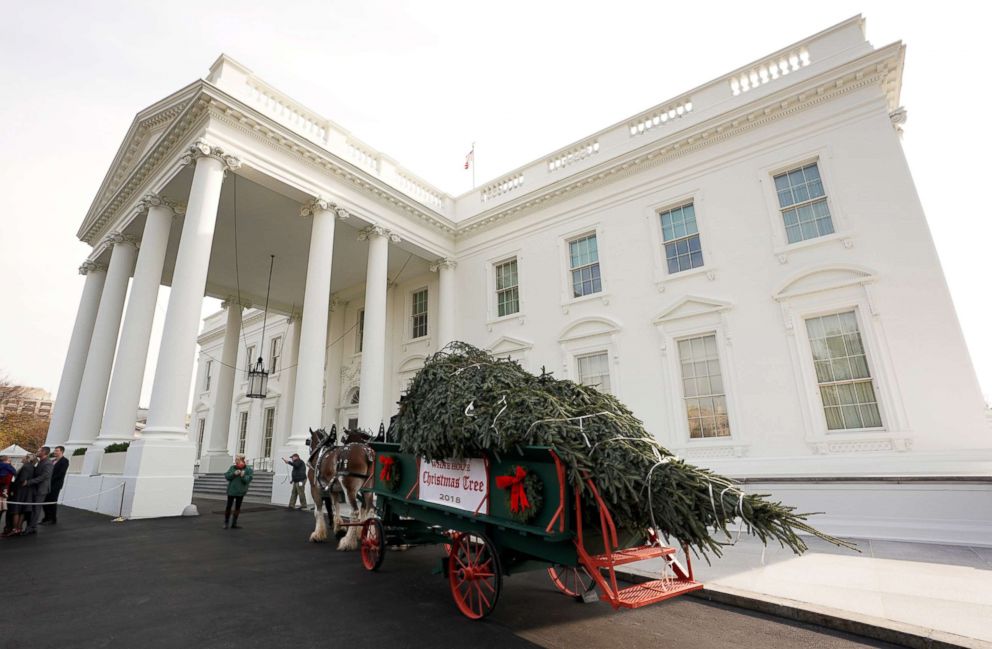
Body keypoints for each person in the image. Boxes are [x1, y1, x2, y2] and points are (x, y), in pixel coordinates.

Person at [2, 454, 36, 537]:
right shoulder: (31, 467)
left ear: (27, 459)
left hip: (20, 491)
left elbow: (22, 480)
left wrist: (13, 487)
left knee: (16, 510)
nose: (22, 458)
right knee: (22, 510)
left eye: (24, 456)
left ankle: (15, 529)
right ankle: (18, 529)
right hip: (26, 492)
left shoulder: (25, 467)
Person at [22, 446, 53, 535]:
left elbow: (44, 476)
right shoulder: (41, 461)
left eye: (39, 451)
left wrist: (28, 482)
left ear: (44, 452)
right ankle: (32, 526)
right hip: (36, 488)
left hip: (41, 489)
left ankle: (31, 528)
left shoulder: (48, 463)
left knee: (36, 509)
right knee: (33, 508)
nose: (37, 452)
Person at [223, 455, 253, 529]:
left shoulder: (248, 469)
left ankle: (234, 523)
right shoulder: (232, 467)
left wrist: (243, 476)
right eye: (236, 459)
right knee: (228, 507)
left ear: (242, 460)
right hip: (231, 491)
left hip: (240, 491)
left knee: (237, 507)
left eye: (237, 459)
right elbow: (227, 477)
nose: (236, 461)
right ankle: (226, 522)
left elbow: (248, 480)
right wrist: (234, 474)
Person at [42, 446, 70, 525]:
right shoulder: (53, 461)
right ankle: (46, 517)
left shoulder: (65, 461)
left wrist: (49, 479)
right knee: (45, 501)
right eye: (55, 450)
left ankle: (52, 519)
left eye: (57, 450)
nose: (55, 452)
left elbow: (61, 473)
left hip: (55, 485)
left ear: (61, 451)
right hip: (47, 484)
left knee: (52, 501)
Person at [0, 455, 15, 531]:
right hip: (3, 493)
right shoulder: (8, 469)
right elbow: (14, 473)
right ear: (5, 461)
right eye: (9, 460)